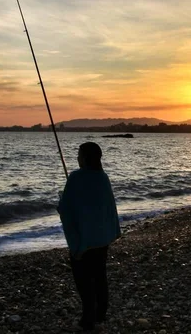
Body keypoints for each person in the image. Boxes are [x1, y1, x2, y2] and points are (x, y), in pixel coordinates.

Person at [58, 142, 121, 332]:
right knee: (100, 276)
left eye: (79, 154)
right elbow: (108, 207)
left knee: (84, 282)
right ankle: (100, 314)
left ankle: (88, 320)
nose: (77, 158)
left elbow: (66, 209)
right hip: (102, 239)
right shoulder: (103, 177)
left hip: (84, 242)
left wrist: (61, 200)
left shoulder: (76, 177)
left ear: (85, 157)